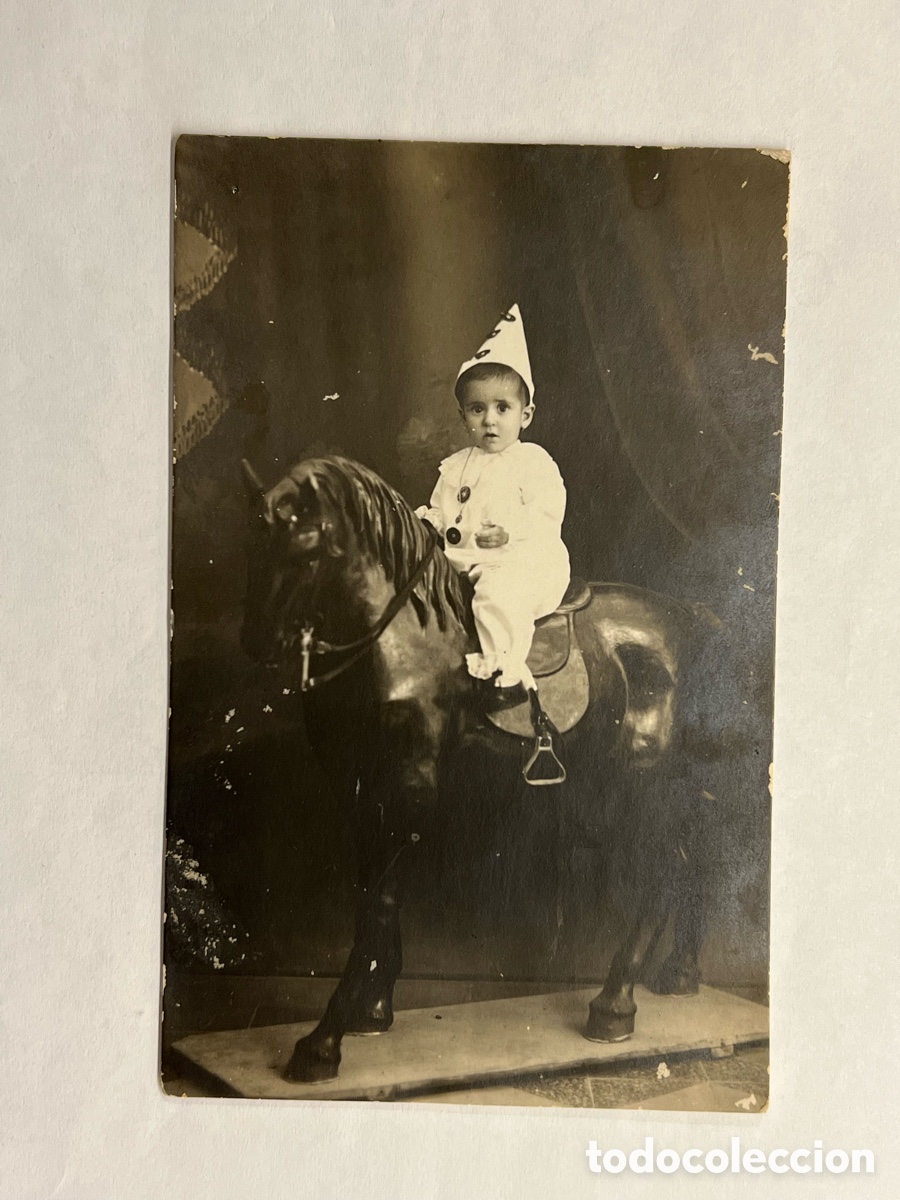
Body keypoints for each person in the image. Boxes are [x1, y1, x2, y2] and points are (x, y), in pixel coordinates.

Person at [416, 305, 570, 702]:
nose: (490, 421)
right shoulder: (456, 466)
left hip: (523, 563)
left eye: (503, 408)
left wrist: (509, 532)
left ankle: (507, 674)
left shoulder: (532, 462)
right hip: (464, 562)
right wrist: (430, 524)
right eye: (477, 409)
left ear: (526, 414)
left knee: (498, 594)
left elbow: (547, 515)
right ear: (462, 415)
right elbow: (443, 508)